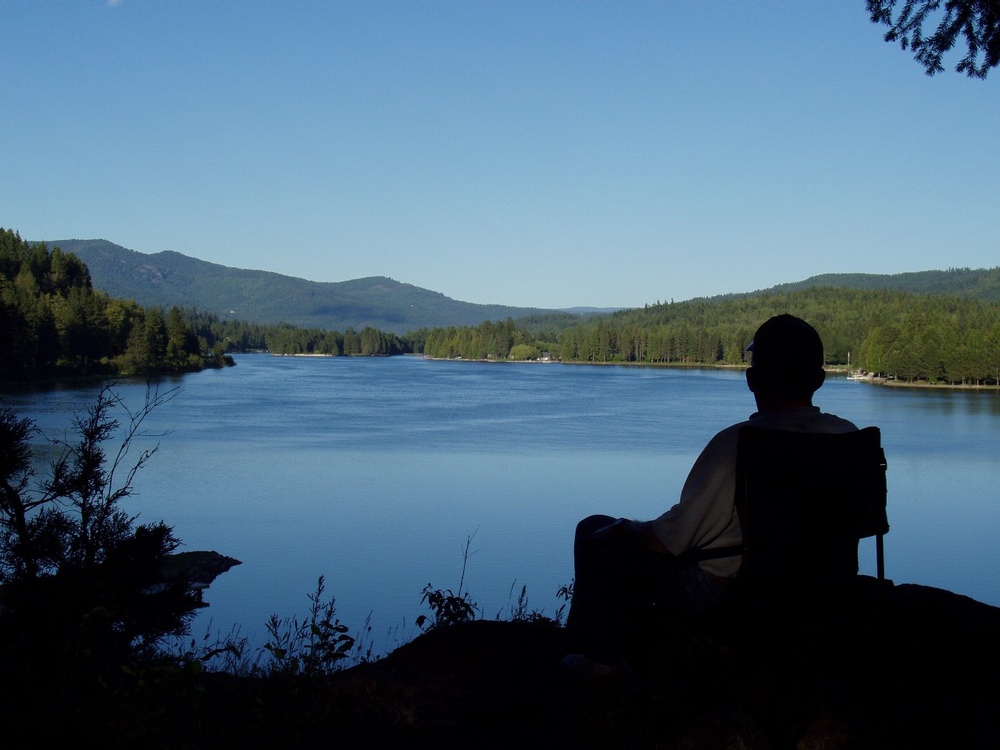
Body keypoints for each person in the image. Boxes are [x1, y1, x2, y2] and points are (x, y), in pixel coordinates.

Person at [565, 314, 857, 668]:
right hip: (823, 595)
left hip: (733, 599)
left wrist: (624, 528)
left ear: (752, 379)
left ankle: (600, 664)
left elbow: (670, 540)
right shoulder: (849, 440)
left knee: (593, 530)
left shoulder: (740, 446)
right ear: (819, 379)